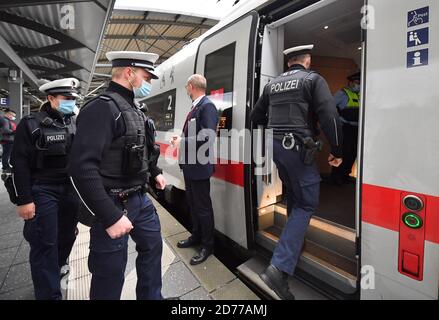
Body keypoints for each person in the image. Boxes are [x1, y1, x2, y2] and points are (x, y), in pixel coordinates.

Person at [69, 51, 166, 300]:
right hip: (113, 202)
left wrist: (154, 172)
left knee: (154, 249)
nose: (150, 83)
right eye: (147, 76)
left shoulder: (135, 108)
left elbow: (141, 149)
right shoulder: (101, 109)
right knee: (109, 272)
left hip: (140, 199)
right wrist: (111, 217)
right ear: (129, 72)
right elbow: (82, 169)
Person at [250, 45, 343, 300]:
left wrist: (275, 130)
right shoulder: (313, 79)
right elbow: (330, 116)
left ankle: (295, 243)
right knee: (307, 203)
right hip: (298, 148)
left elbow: (254, 116)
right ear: (307, 60)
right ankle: (278, 270)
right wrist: (338, 150)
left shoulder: (272, 86)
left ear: (289, 62)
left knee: (295, 195)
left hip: (277, 148)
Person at [10, 78, 80, 300]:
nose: (71, 102)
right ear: (50, 98)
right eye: (66, 98)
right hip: (42, 189)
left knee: (68, 235)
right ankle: (48, 294)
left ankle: (57, 266)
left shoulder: (74, 122)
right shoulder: (30, 124)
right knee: (44, 242)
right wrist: (24, 199)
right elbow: (18, 163)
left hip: (70, 189)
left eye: (73, 99)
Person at [170, 74, 219, 265]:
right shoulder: (196, 106)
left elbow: (208, 138)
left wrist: (182, 141)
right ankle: (196, 236)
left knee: (203, 208)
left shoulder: (207, 106)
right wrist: (181, 141)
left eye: (186, 87)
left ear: (191, 86)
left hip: (199, 168)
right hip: (191, 168)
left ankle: (208, 246)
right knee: (193, 205)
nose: (186, 90)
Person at [331, 71, 361, 185]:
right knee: (342, 152)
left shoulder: (361, 94)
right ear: (350, 82)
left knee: (353, 153)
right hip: (345, 128)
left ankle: (345, 175)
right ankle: (336, 176)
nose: (358, 84)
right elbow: (330, 107)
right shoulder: (342, 93)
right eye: (356, 82)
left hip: (357, 128)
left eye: (359, 82)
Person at [0, 108, 17, 173]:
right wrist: (15, 131)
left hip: (9, 140)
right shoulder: (5, 120)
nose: (13, 117)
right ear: (7, 114)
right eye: (12, 115)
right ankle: (5, 168)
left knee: (7, 154)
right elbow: (5, 130)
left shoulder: (9, 121)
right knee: (6, 154)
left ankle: (6, 166)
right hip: (7, 140)